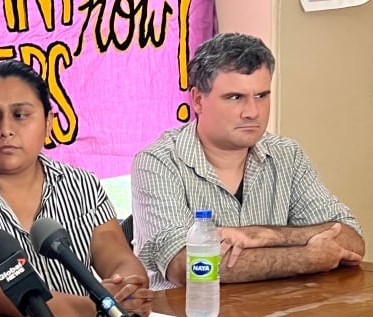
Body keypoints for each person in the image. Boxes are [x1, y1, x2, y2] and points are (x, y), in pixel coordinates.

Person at [0, 60, 153, 317]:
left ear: (48, 123)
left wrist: (127, 290)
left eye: (20, 115)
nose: (5, 130)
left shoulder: (82, 185)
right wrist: (98, 310)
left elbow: (117, 257)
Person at [131, 33, 365, 291]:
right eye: (235, 97)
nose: (252, 112)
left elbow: (351, 240)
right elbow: (188, 267)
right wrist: (307, 257)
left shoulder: (288, 155)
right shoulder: (158, 162)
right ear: (198, 100)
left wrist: (266, 235)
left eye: (262, 96)